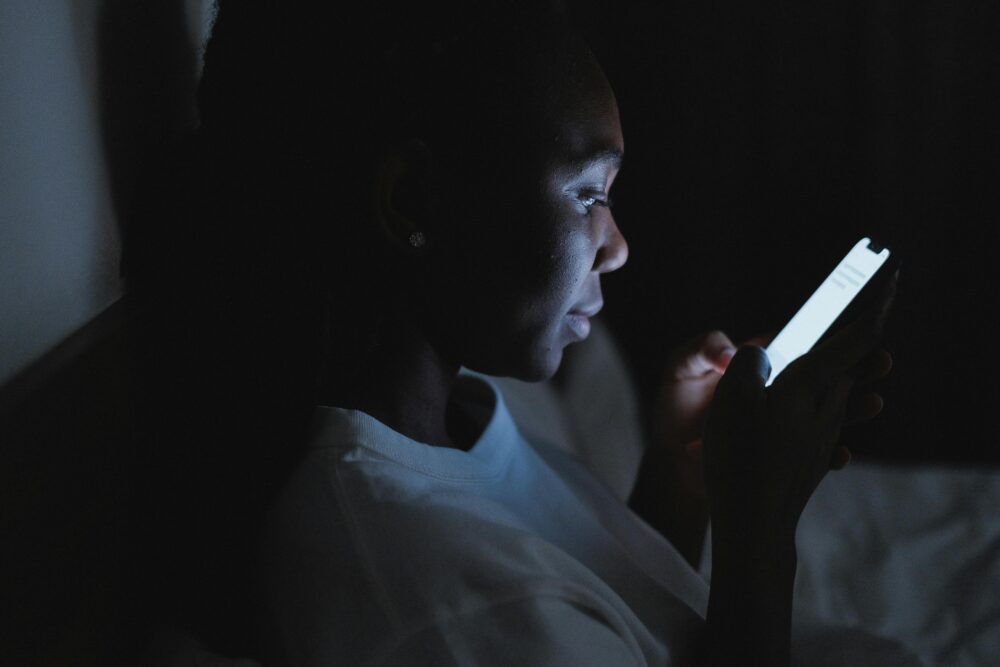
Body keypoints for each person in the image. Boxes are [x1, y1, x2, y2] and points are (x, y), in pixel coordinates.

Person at [130, 1, 913, 665]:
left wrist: (682, 480)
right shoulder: (429, 593)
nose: (618, 244)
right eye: (585, 193)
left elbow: (624, 618)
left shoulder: (454, 419)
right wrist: (762, 532)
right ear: (411, 202)